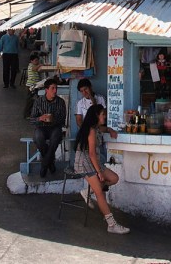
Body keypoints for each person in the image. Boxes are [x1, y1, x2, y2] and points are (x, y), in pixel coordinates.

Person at [74, 104, 129, 234]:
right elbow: (91, 153)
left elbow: (104, 130)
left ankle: (87, 192)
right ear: (96, 116)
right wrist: (99, 172)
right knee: (100, 192)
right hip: (85, 163)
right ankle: (111, 224)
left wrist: (110, 129)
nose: (104, 116)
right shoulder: (91, 131)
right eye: (102, 114)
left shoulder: (96, 128)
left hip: (94, 162)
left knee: (114, 178)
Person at [31, 78, 66, 178]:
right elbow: (32, 120)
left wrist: (53, 120)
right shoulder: (38, 101)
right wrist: (40, 118)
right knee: (38, 138)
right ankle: (50, 163)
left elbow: (63, 120)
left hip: (55, 127)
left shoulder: (61, 102)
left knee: (55, 137)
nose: (55, 91)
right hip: (41, 127)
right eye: (52, 88)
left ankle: (45, 164)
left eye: (56, 88)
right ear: (46, 90)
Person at [23, 52, 42, 119]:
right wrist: (40, 65)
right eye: (35, 60)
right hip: (30, 86)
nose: (37, 62)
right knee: (29, 101)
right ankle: (26, 115)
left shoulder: (33, 65)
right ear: (31, 61)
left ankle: (30, 113)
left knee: (33, 100)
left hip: (33, 86)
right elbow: (34, 69)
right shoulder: (31, 65)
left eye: (37, 60)